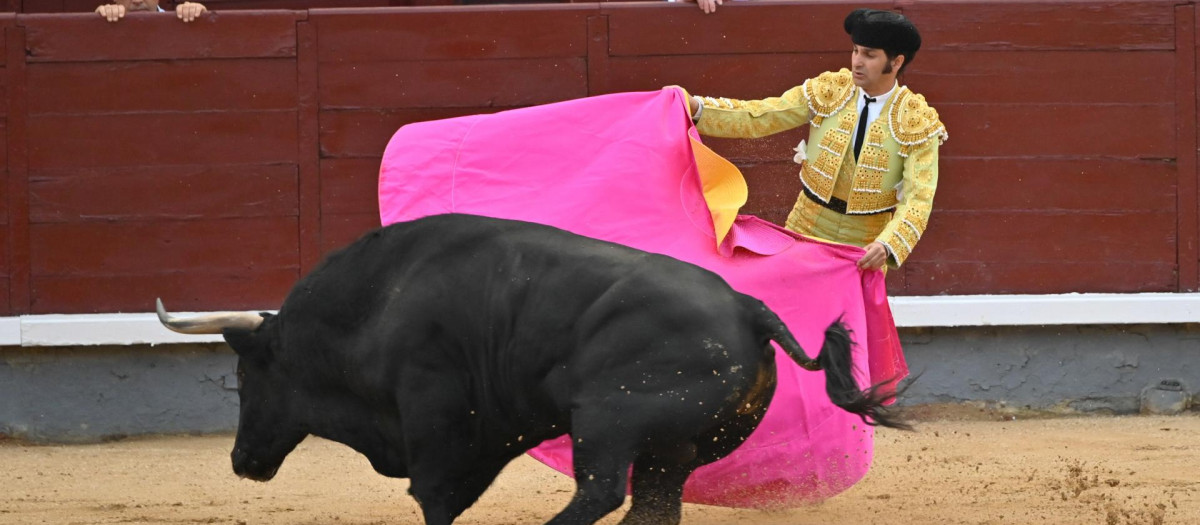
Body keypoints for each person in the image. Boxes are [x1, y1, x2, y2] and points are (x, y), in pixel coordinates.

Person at [685, 8, 946, 271]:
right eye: (855, 50)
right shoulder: (830, 90)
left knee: (848, 314)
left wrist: (887, 244)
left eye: (869, 55)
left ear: (897, 62)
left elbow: (918, 199)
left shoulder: (918, 121)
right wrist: (698, 109)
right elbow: (760, 117)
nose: (857, 61)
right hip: (806, 225)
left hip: (866, 244)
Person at [96, 0, 207, 23]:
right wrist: (98, 22)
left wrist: (201, 19)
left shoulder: (181, 19)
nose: (137, 1)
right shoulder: (105, 19)